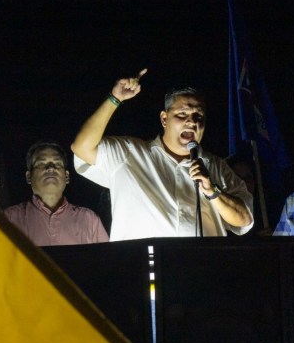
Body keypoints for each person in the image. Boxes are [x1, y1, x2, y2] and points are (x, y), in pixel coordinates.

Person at [71, 69, 253, 241]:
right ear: (164, 119)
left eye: (198, 116)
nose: (191, 121)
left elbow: (244, 220)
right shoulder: (129, 153)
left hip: (201, 264)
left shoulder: (216, 167)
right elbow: (81, 147)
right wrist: (115, 98)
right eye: (182, 114)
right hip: (140, 263)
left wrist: (213, 191)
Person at [4, 141, 108, 246]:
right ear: (28, 177)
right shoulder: (9, 219)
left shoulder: (89, 220)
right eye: (41, 164)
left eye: (57, 164)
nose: (50, 168)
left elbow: (106, 255)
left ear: (67, 176)